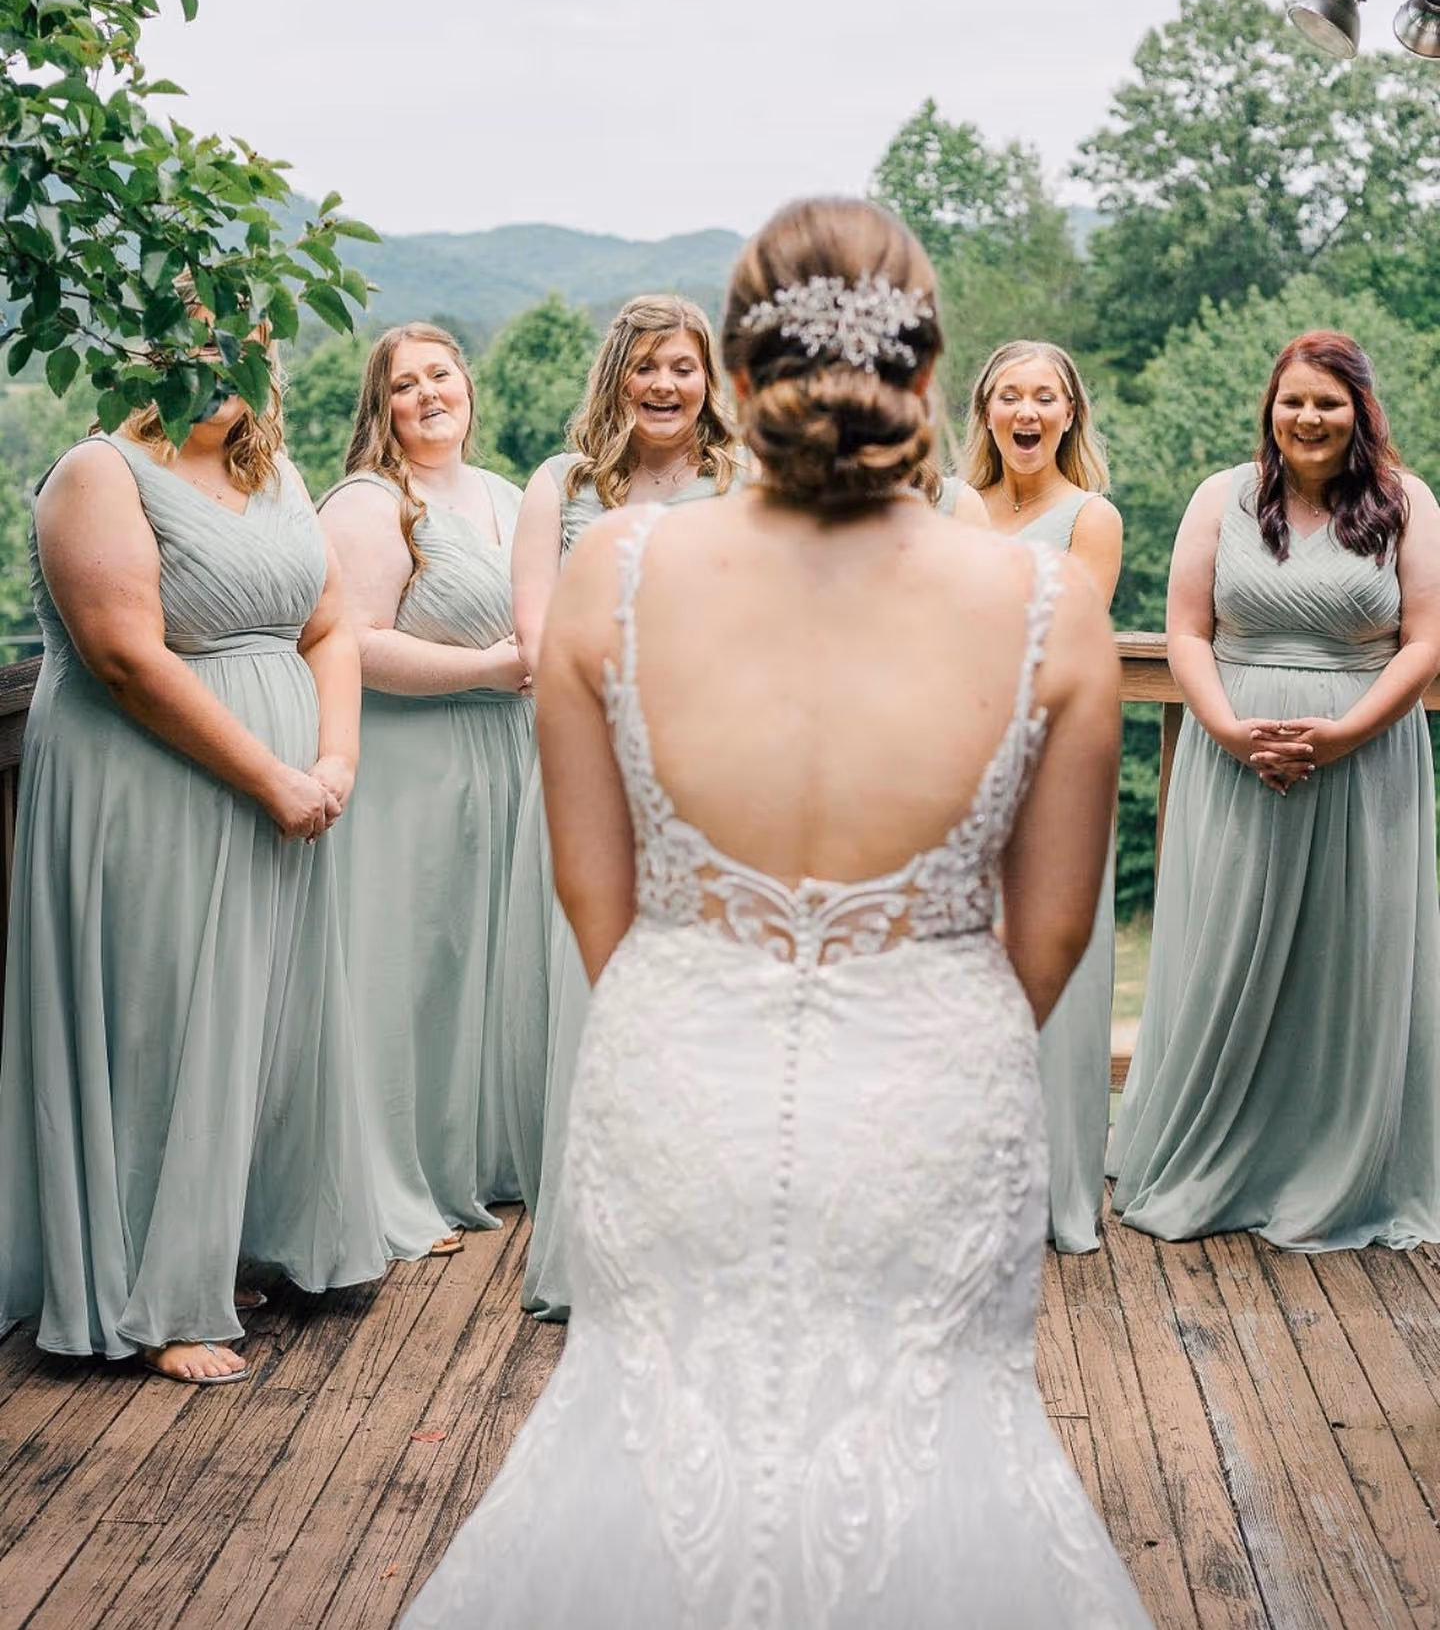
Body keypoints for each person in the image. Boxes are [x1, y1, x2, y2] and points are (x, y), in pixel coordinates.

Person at [405, 198, 1145, 1627]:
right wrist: (916, 1014)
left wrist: (709, 998)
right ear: (930, 379)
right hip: (936, 1085)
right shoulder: (1046, 606)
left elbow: (592, 887)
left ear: (738, 380)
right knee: (936, 1435)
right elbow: (1050, 936)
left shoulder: (618, 571)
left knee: (652, 1425)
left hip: (679, 1070)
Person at [0, 319, 386, 1384]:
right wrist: (269, 774)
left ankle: (209, 1249)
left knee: (251, 1020)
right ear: (143, 363)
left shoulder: (276, 474)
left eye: (245, 349)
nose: (224, 372)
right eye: (194, 351)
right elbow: (123, 657)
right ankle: (150, 1298)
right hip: (157, 784)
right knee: (163, 1019)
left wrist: (337, 756)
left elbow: (327, 628)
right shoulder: (99, 472)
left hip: (289, 791)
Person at [1110, 331, 1440, 1248]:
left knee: (1352, 954)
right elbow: (1185, 631)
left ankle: (1341, 1163)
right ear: (1271, 408)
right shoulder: (1220, 497)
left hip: (1366, 759)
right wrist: (1222, 726)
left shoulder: (1407, 503)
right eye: (1293, 400)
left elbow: (1424, 641)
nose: (1308, 417)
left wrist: (1344, 733)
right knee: (1227, 953)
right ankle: (1216, 1154)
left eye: (1328, 403)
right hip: (1234, 758)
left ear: (1360, 413)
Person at [501, 294, 740, 1320]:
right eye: (645, 367)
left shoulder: (748, 484)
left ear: (709, 380)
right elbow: (535, 640)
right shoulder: (561, 486)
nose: (664, 386)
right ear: (616, 377)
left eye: (682, 367)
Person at [320, 325, 533, 1260]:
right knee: (408, 963)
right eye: (404, 385)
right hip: (415, 765)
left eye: (441, 375)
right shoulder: (372, 503)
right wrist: (486, 668)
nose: (428, 395)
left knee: (485, 963)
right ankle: (392, 1179)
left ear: (469, 387)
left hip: (511, 759)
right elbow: (351, 644)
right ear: (383, 407)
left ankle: (474, 1160)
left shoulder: (509, 496)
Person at [965, 339, 1122, 1252]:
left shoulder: (1088, 517)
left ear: (1069, 415)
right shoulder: (945, 507)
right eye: (1011, 396)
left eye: (1047, 398)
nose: (1029, 413)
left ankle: (1050, 1191)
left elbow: (1070, 639)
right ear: (986, 410)